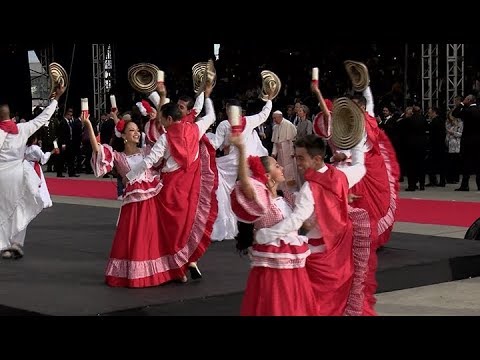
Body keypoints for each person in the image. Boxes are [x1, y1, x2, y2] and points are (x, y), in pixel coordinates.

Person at [255, 134, 366, 316]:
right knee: (336, 300)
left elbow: (296, 220)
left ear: (316, 159)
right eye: (296, 157)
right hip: (340, 249)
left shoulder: (309, 189)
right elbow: (360, 167)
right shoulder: (341, 175)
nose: (297, 162)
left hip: (317, 255)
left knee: (312, 302)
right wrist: (357, 141)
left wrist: (266, 235)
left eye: (301, 158)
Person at [125, 82, 217, 282]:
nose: (161, 123)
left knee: (165, 230)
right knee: (185, 227)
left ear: (168, 118)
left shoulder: (165, 139)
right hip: (189, 188)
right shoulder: (195, 128)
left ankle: (175, 269)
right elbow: (210, 116)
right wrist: (206, 95)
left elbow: (149, 161)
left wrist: (131, 176)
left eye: (161, 120)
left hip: (170, 189)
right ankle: (187, 263)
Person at [229, 134, 317, 316]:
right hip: (273, 261)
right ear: (267, 175)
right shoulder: (262, 200)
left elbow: (305, 220)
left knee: (294, 302)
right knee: (276, 303)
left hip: (293, 259)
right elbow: (246, 184)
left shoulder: (287, 197)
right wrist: (241, 149)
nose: (282, 167)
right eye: (277, 166)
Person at [0, 85, 65, 259]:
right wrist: (55, 99)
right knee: (20, 207)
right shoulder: (22, 129)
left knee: (4, 210)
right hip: (18, 175)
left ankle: (6, 243)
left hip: (2, 175)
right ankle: (15, 243)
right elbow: (42, 118)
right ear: (11, 115)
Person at [206, 96, 273, 242]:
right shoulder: (248, 120)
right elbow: (264, 114)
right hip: (246, 161)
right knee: (250, 191)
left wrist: (202, 139)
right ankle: (256, 221)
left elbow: (215, 143)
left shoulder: (224, 124)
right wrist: (269, 100)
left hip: (231, 163)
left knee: (226, 189)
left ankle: (228, 221)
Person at [24, 131, 60, 208]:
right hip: (34, 166)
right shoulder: (35, 148)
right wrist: (52, 152)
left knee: (28, 183)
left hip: (26, 166)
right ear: (34, 139)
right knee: (39, 184)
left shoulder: (24, 147)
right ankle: (40, 200)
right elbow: (43, 158)